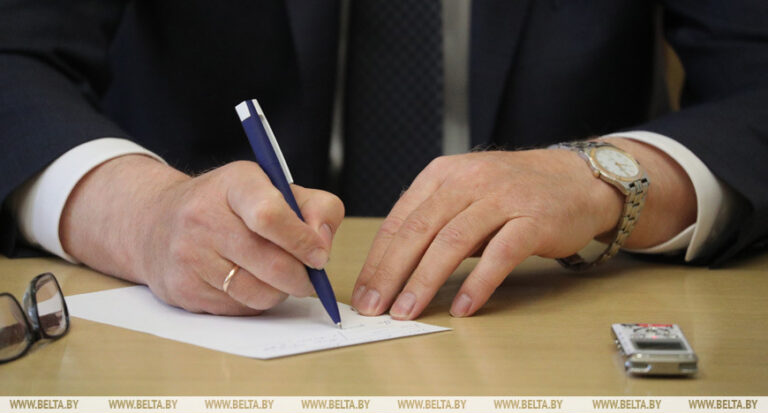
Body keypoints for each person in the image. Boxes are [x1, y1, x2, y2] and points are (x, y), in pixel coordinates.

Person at [1, 1, 766, 320]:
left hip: (547, 325)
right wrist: (140, 213)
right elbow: (14, 55)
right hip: (213, 345)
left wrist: (606, 177)